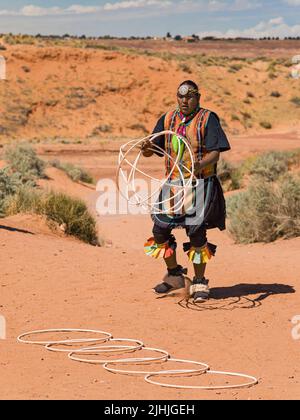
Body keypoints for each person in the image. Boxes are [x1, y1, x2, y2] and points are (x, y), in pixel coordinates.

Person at [142, 80, 231, 302]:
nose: (184, 100)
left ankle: (200, 281)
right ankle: (174, 276)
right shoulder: (168, 118)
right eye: (181, 96)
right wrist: (145, 148)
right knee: (160, 231)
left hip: (199, 184)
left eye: (189, 96)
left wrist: (197, 165)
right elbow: (153, 150)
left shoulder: (208, 119)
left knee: (195, 231)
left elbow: (215, 153)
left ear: (198, 98)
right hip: (173, 185)